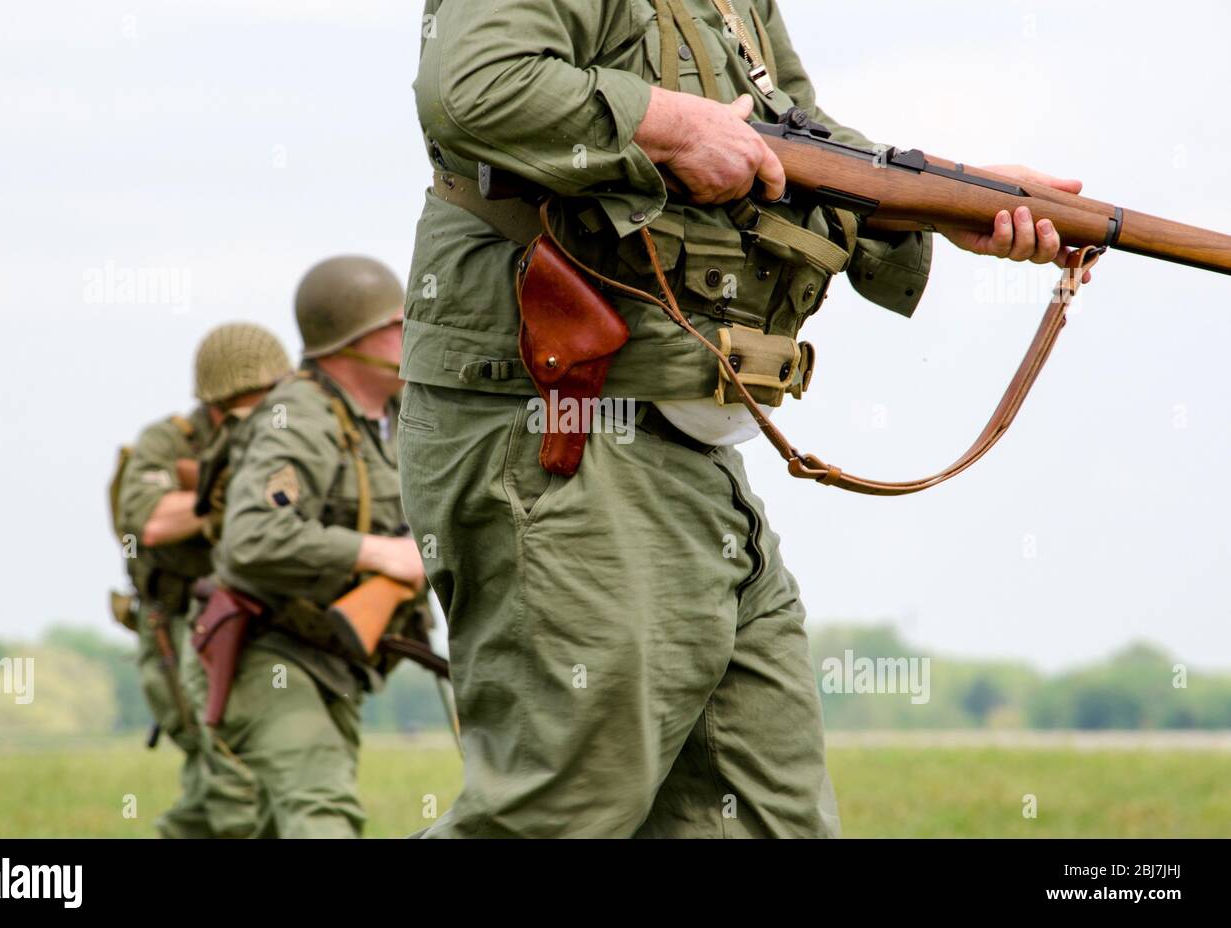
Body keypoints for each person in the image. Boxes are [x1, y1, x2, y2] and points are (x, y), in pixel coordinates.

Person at [397, 0, 1086, 837]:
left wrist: (956, 199)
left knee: (767, 821)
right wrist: (671, 127)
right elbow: (473, 86)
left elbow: (801, 144)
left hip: (689, 448)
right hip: (560, 432)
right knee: (558, 814)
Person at [191, 256, 429, 838]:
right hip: (269, 650)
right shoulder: (295, 419)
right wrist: (381, 554)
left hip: (336, 657)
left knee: (277, 825)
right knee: (322, 815)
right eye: (397, 323)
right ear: (351, 340)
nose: (414, 331)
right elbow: (253, 538)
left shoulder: (399, 417)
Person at [112, 321, 291, 837]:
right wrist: (223, 501)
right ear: (215, 404)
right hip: (180, 624)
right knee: (225, 768)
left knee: (232, 770)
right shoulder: (170, 440)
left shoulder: (291, 433)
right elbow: (146, 519)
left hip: (254, 622)